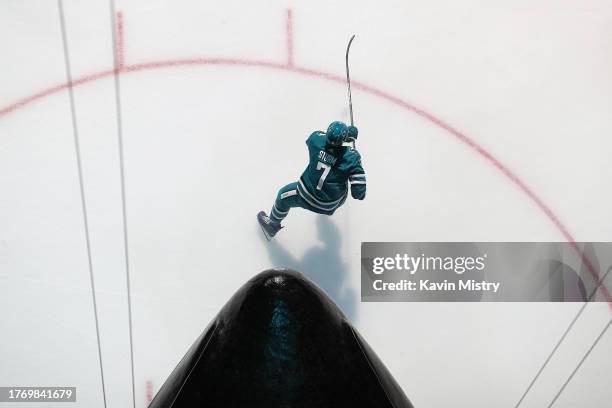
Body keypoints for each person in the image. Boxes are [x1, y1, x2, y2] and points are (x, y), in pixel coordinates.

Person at [257, 121, 366, 239]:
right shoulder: (351, 157)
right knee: (342, 188)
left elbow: (319, 137)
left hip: (306, 195)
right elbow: (358, 194)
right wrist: (355, 164)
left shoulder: (315, 140)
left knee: (282, 196)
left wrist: (343, 138)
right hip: (331, 204)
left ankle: (272, 226)